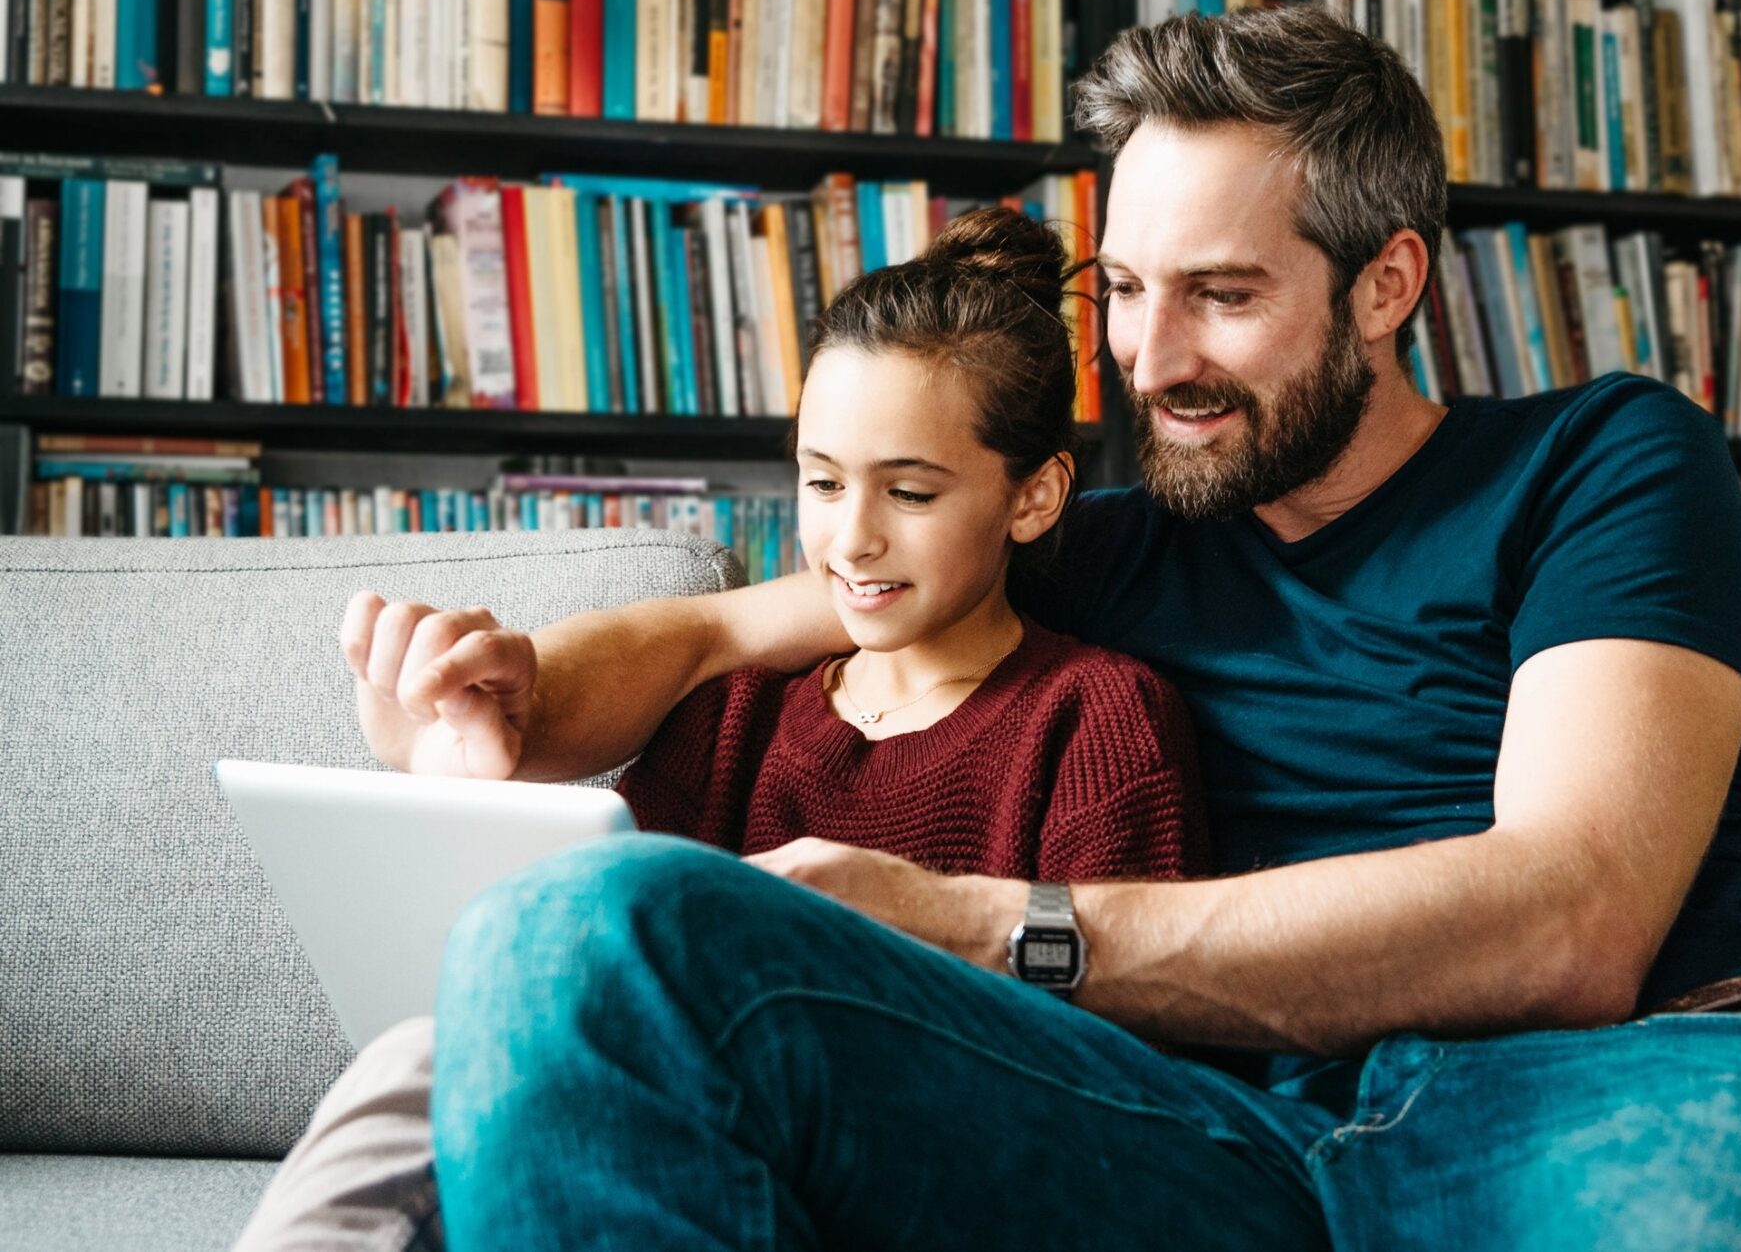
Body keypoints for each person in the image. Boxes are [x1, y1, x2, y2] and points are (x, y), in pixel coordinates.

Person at [316, 6, 1741, 1251]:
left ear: (1386, 284)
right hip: (1213, 1122)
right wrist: (493, 700)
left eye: (1220, 294)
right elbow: (718, 631)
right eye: (1125, 290)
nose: (1151, 360)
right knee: (583, 937)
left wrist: (985, 921)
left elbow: (1570, 920)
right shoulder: (1094, 543)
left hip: (1667, 1066)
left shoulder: (1601, 460)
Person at [235, 208, 1212, 1252]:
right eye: (824, 481)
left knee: (461, 1054)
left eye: (911, 491)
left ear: (1036, 495)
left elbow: (1119, 1075)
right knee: (438, 1053)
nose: (852, 535)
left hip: (936, 1154)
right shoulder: (737, 717)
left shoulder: (1097, 719)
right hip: (698, 1145)